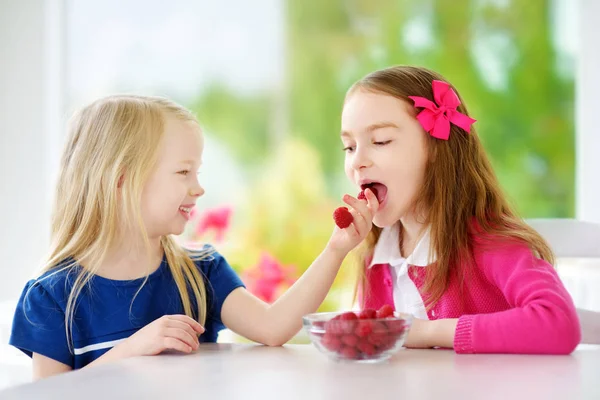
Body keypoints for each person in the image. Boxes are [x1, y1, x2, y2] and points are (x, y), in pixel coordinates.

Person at [9, 95, 377, 378]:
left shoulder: (201, 272)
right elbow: (50, 395)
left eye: (197, 172)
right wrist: (134, 349)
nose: (198, 188)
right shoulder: (50, 297)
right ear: (121, 180)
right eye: (183, 172)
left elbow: (273, 327)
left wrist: (336, 249)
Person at [340, 65, 581, 354]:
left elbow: (559, 323)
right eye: (349, 147)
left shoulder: (490, 242)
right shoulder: (376, 262)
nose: (357, 161)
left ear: (435, 149)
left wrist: (429, 332)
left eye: (380, 141)